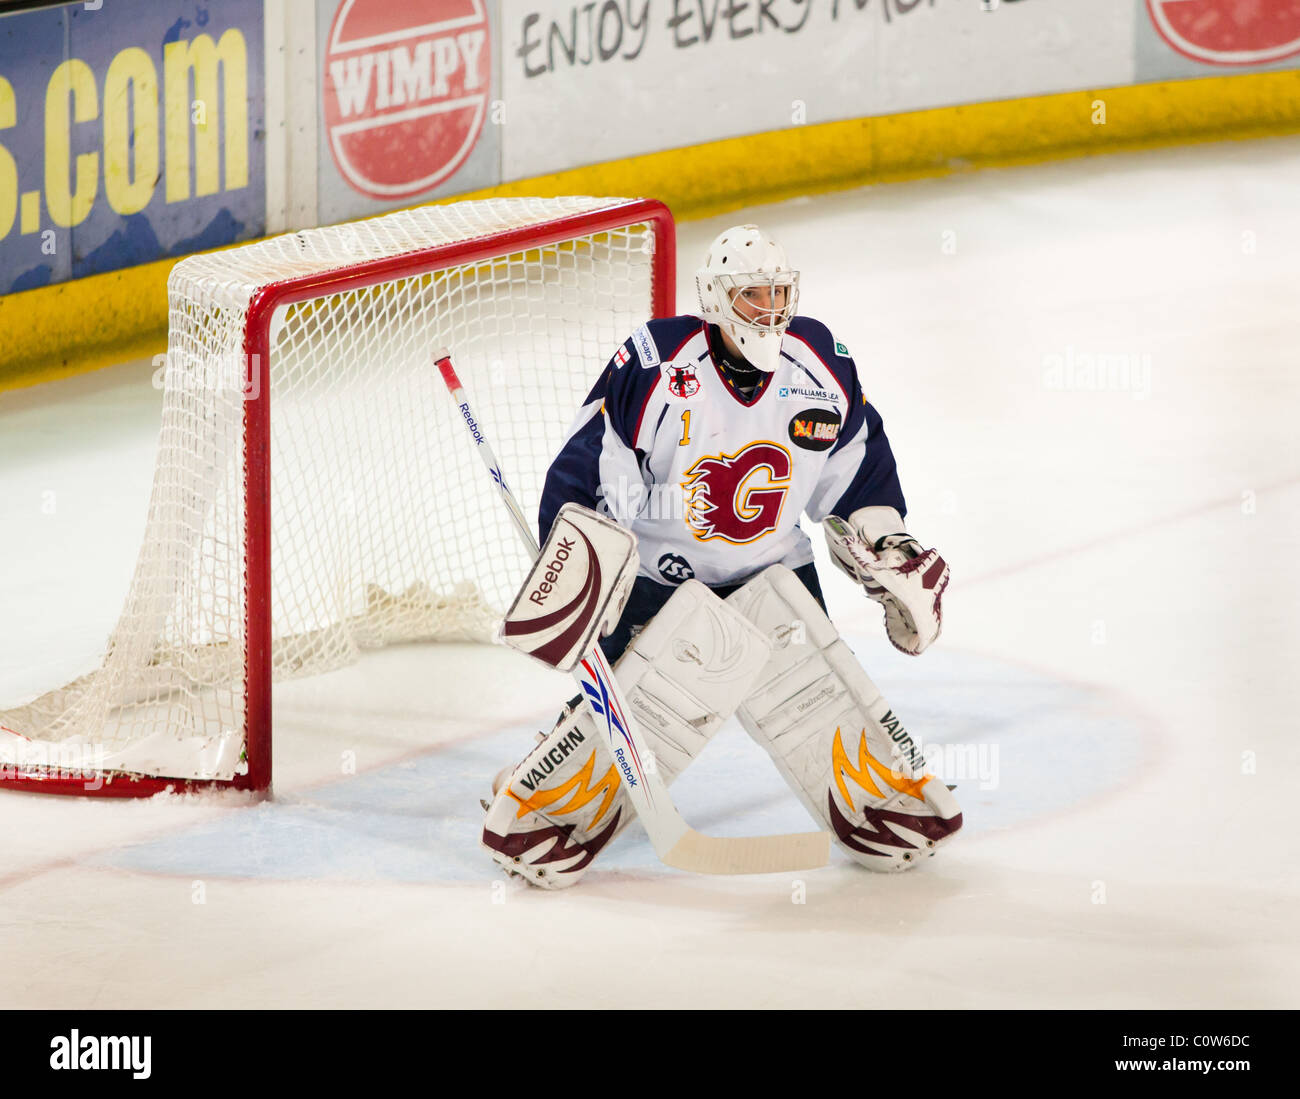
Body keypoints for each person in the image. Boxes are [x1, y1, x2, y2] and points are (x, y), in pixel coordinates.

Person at [481, 224, 961, 887]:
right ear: (714, 298)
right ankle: (550, 790)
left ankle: (880, 796)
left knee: (814, 702)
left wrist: (888, 545)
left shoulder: (821, 362)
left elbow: (856, 472)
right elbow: (593, 465)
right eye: (751, 295)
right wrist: (590, 566)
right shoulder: (657, 363)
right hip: (659, 580)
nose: (769, 309)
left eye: (778, 294)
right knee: (636, 712)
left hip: (777, 571)